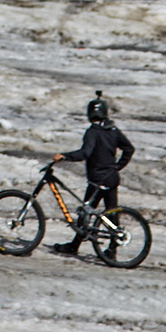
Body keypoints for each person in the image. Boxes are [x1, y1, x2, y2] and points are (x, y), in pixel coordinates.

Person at [51, 93, 133, 251]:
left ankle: (74, 246)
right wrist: (117, 166)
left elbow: (85, 153)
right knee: (112, 213)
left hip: (97, 179)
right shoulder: (113, 130)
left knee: (85, 213)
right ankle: (112, 251)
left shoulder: (92, 132)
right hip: (111, 177)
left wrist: (64, 156)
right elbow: (129, 149)